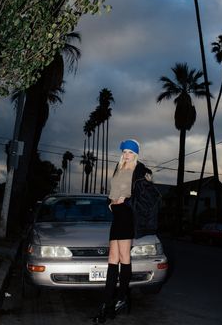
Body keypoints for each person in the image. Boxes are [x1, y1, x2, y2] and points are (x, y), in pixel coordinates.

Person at [93, 139, 153, 324]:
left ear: (135, 154)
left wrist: (125, 202)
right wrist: (110, 204)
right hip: (116, 215)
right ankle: (108, 302)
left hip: (127, 215)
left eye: (130, 152)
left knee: (124, 257)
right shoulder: (118, 167)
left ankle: (119, 299)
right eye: (124, 151)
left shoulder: (139, 168)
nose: (126, 155)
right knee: (113, 258)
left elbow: (144, 193)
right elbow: (113, 190)